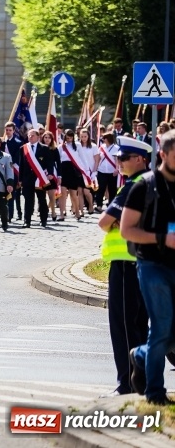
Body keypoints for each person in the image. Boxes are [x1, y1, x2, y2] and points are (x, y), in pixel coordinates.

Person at [121, 129, 175, 405]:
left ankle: (140, 355)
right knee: (162, 327)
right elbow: (126, 230)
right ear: (163, 155)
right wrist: (161, 238)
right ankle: (155, 392)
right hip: (152, 264)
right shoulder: (145, 186)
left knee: (172, 334)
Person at [97, 136, 151, 397]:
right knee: (139, 325)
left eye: (123, 158)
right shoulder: (152, 182)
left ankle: (128, 385)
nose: (118, 162)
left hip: (127, 264)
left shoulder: (133, 185)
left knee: (124, 326)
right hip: (143, 263)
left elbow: (104, 221)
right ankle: (142, 383)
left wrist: (116, 223)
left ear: (140, 159)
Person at [19, 128, 55, 228]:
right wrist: (20, 180)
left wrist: (50, 173)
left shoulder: (44, 148)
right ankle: (27, 221)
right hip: (27, 179)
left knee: (42, 200)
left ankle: (43, 220)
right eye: (29, 135)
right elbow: (21, 165)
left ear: (38, 137)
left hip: (40, 178)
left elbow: (49, 163)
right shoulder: (23, 148)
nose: (30, 137)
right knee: (28, 201)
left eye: (33, 135)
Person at [58, 129, 87, 221]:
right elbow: (58, 161)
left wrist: (86, 171)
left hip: (73, 170)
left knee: (73, 194)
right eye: (67, 137)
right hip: (63, 170)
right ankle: (62, 214)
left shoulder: (77, 145)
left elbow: (82, 158)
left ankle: (77, 213)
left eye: (71, 137)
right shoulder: (61, 147)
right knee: (62, 194)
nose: (69, 139)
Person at [4, 122, 25, 223]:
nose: (8, 132)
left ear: (13, 130)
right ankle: (5, 213)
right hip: (3, 171)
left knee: (12, 193)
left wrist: (10, 165)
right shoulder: (2, 142)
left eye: (10, 130)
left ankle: (10, 215)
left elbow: (18, 158)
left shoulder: (18, 142)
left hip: (13, 170)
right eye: (6, 130)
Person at [96, 133, 120, 212]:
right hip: (102, 170)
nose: (103, 139)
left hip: (112, 171)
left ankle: (111, 205)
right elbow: (99, 158)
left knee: (112, 189)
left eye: (105, 138)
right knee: (101, 188)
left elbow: (117, 159)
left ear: (109, 139)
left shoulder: (116, 148)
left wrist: (117, 169)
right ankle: (99, 205)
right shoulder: (102, 147)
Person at [78, 129, 100, 214]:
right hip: (80, 172)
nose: (84, 138)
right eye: (82, 136)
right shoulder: (77, 146)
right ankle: (81, 211)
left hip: (89, 172)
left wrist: (94, 172)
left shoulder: (93, 146)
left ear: (88, 137)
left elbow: (97, 160)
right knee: (79, 192)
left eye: (85, 136)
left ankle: (90, 205)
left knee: (86, 192)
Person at [40, 131, 61, 220]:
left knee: (51, 195)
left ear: (52, 139)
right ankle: (43, 211)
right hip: (41, 174)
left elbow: (59, 163)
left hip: (52, 174)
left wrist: (59, 176)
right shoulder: (39, 149)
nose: (47, 139)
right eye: (45, 137)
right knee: (42, 196)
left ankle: (53, 212)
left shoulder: (54, 149)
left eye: (49, 137)